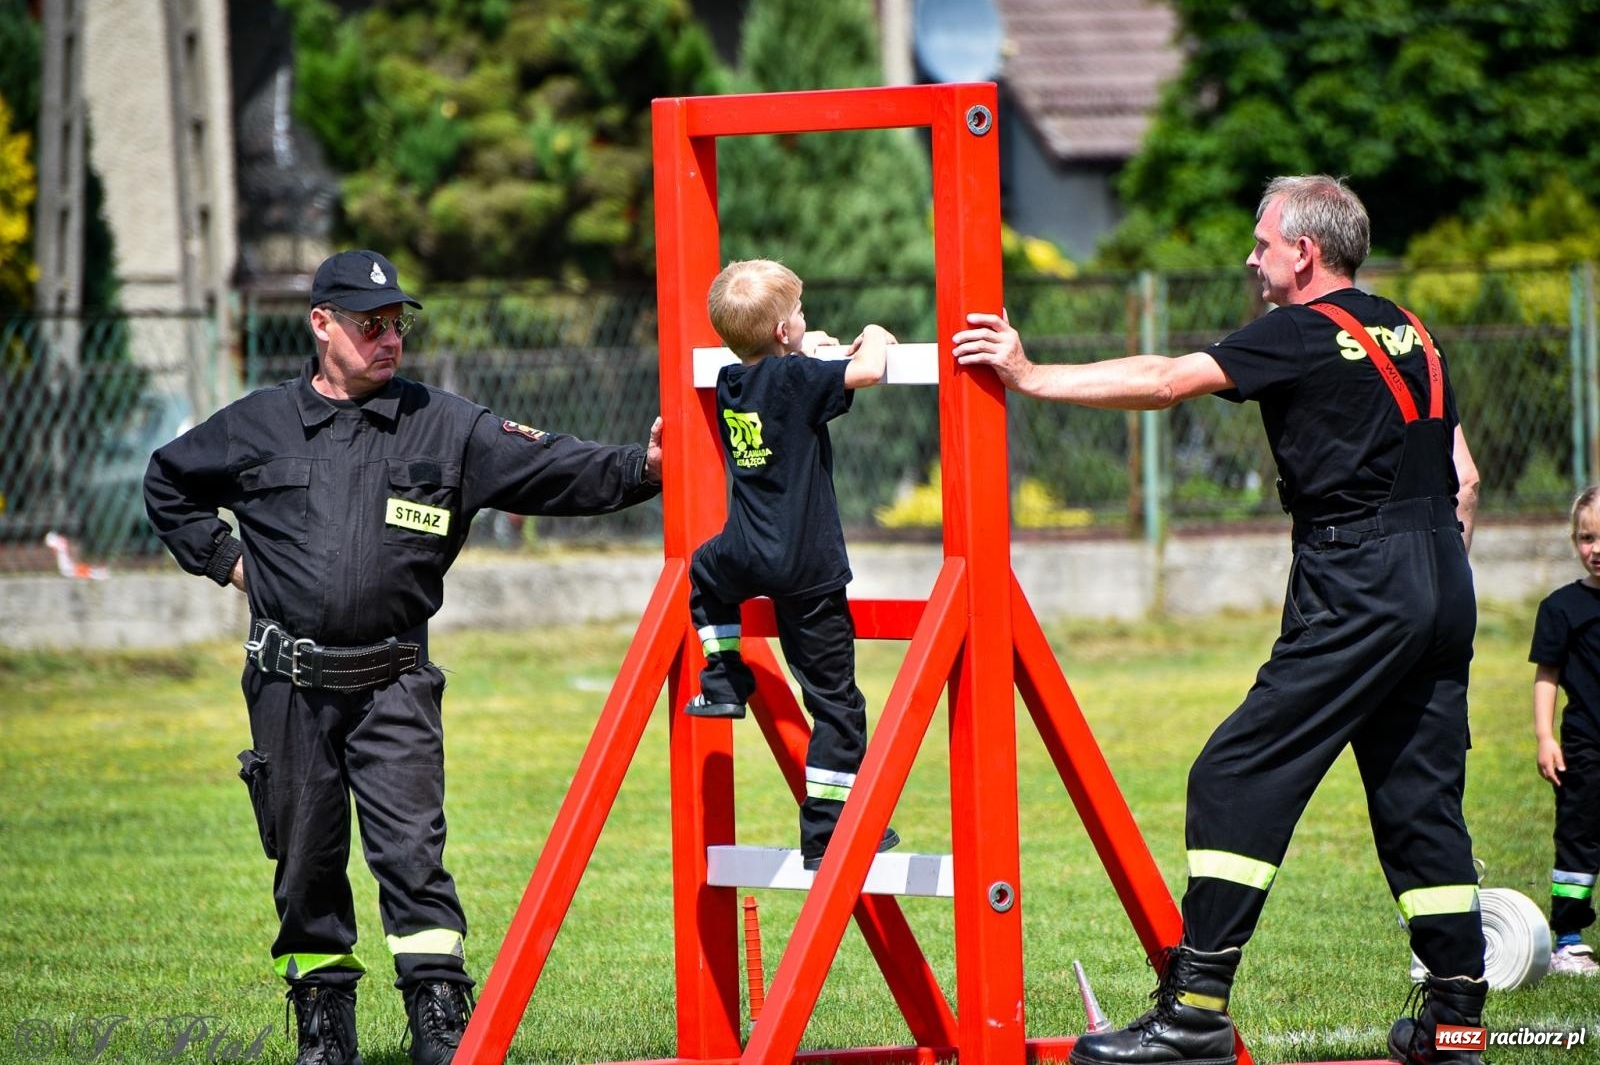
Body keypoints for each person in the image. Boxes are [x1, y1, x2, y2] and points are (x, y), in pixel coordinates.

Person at [952, 176, 1486, 1065]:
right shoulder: (1412, 331)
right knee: (1420, 804)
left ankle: (1193, 1011)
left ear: (1305, 253)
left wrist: (1028, 373)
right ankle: (1458, 1026)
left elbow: (1166, 381)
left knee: (1235, 775)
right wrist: (1427, 579)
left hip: (1359, 579)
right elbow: (1464, 475)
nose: (1252, 258)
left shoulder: (1300, 330)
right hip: (1443, 576)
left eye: (1262, 243)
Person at [143, 249, 663, 1065]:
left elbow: (552, 467)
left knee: (414, 859)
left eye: (397, 326)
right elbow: (167, 482)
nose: (389, 341)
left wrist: (645, 466)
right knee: (306, 861)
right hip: (289, 687)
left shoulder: (443, 424)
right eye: (368, 325)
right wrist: (232, 563)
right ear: (320, 325)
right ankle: (324, 1026)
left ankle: (440, 1022)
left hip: (395, 686)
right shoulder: (258, 424)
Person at [682, 258, 900, 871]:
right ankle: (827, 830)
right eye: (798, 315)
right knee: (835, 703)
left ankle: (723, 679)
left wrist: (810, 342)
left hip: (743, 554)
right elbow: (870, 369)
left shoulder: (731, 380)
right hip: (806, 569)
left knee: (702, 573)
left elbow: (792, 360)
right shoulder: (800, 379)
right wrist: (876, 334)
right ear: (783, 333)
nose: (805, 322)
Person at [1528, 487, 1600, 977]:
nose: (1596, 548)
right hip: (1585, 746)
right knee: (1578, 839)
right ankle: (1569, 942)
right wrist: (1545, 737)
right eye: (1586, 537)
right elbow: (1547, 676)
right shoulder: (1561, 609)